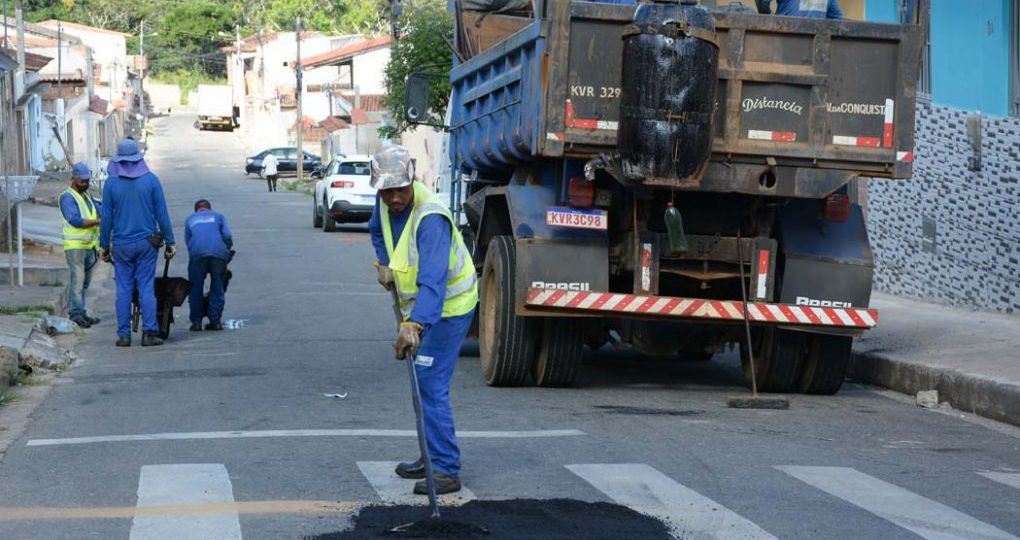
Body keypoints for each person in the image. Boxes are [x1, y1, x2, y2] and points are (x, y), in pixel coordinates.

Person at [368, 145, 478, 496]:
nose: (394, 198)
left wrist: (414, 325)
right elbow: (376, 231)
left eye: (400, 189)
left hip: (449, 306)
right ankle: (430, 455)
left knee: (430, 382)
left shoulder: (430, 219)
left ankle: (445, 468)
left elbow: (433, 281)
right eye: (387, 191)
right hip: (422, 307)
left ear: (412, 178)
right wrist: (386, 263)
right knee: (420, 379)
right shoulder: (384, 204)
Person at [99, 139, 176, 347]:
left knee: (123, 289)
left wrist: (103, 246)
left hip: (122, 245)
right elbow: (162, 214)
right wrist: (171, 242)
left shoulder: (111, 184)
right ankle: (149, 332)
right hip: (147, 244)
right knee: (145, 287)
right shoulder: (151, 180)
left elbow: (106, 218)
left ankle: (124, 336)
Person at [60, 162, 101, 329]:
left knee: (85, 283)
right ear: (74, 179)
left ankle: (81, 311)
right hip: (75, 246)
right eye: (83, 181)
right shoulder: (67, 197)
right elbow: (75, 220)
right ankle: (75, 314)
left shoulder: (86, 196)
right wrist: (97, 222)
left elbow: (99, 208)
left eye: (87, 181)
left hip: (90, 246)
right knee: (77, 281)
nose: (86, 184)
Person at [185, 199, 233, 331]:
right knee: (218, 286)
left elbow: (188, 241)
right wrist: (226, 250)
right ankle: (215, 321)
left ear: (196, 210)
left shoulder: (190, 219)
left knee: (195, 288)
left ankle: (196, 323)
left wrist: (196, 255)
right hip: (218, 254)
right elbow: (227, 236)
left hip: (197, 255)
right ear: (209, 209)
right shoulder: (219, 217)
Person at [756, 0, 843, 18]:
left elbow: (763, 2)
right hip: (817, 46)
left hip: (785, 38)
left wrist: (769, 16)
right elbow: (837, 18)